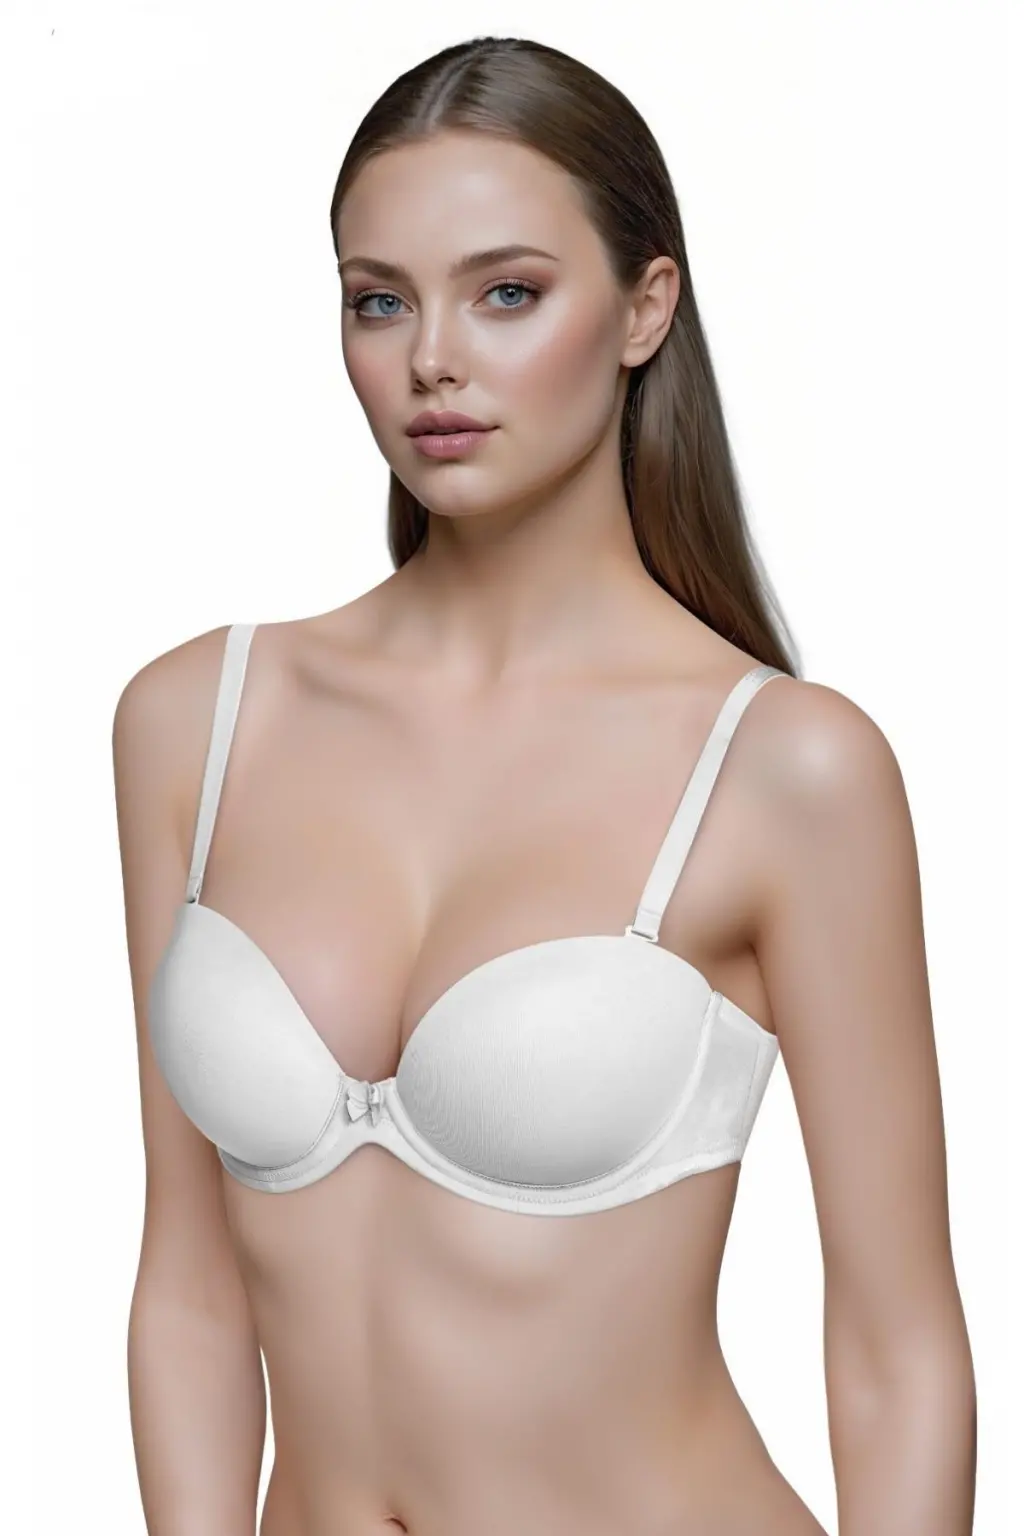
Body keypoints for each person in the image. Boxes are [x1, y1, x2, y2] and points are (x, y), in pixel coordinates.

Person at [113, 35, 976, 1536]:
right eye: (380, 300)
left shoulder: (786, 770)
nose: (431, 361)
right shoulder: (196, 722)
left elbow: (898, 1357)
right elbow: (188, 1290)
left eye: (506, 293)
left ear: (646, 308)